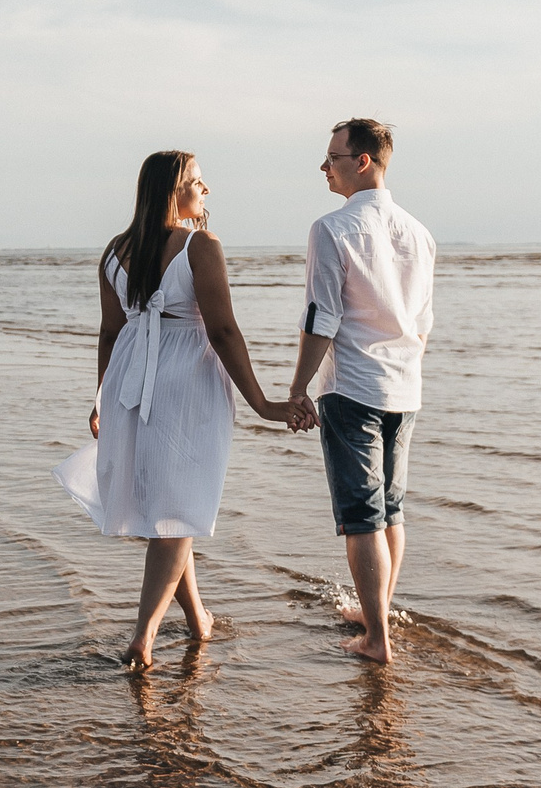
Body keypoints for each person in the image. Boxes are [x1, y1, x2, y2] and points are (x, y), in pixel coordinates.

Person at [57, 150, 309, 667]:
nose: (206, 190)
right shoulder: (200, 246)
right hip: (184, 384)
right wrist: (262, 403)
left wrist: (101, 398)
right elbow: (222, 331)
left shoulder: (114, 250)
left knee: (174, 511)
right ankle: (143, 639)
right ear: (175, 191)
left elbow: (110, 331)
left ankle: (197, 619)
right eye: (198, 181)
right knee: (177, 511)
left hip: (130, 383)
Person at [287, 118, 435, 665]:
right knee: (391, 510)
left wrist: (298, 387)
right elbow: (423, 322)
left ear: (363, 161)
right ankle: (378, 610)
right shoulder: (419, 233)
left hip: (353, 387)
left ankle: (376, 638)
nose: (324, 168)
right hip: (405, 387)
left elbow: (321, 318)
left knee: (360, 515)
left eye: (332, 158)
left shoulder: (330, 229)